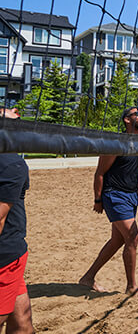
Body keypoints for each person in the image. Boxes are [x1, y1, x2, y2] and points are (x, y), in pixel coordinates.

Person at [79, 107, 138, 294]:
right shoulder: (115, 143)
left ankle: (87, 278)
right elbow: (100, 173)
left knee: (117, 241)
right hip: (113, 194)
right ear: (127, 120)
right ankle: (132, 287)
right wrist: (98, 199)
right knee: (133, 236)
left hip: (132, 196)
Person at [0, 108, 34, 333]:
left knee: (22, 324)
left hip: (13, 252)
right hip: (4, 255)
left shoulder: (12, 161)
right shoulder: (11, 163)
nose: (16, 111)